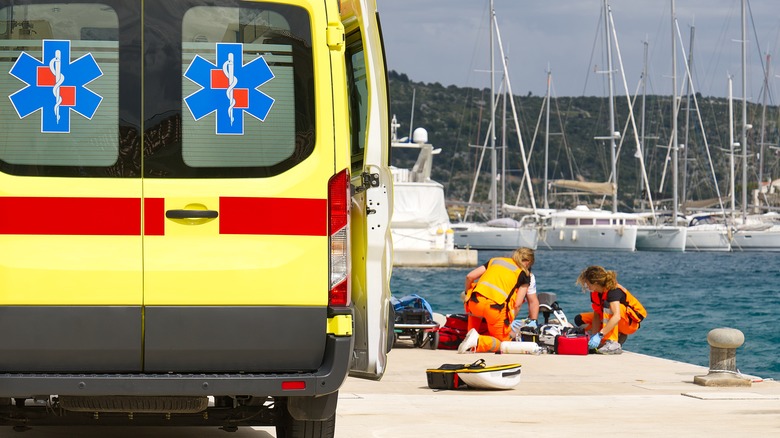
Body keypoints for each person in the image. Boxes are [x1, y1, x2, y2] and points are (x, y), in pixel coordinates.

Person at [457, 247, 540, 354]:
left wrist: (467, 293)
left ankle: (470, 338)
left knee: (472, 332)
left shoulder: (495, 261)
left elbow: (469, 277)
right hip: (495, 309)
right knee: (503, 344)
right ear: (528, 262)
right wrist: (508, 322)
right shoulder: (524, 273)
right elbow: (518, 304)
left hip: (474, 303)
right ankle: (478, 341)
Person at [574, 265, 647, 355]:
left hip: (630, 323)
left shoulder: (613, 291)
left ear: (595, 283)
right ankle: (607, 339)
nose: (586, 285)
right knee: (580, 319)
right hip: (614, 319)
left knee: (608, 306)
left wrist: (600, 335)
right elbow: (597, 315)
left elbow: (616, 316)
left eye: (587, 283)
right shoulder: (595, 293)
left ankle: (612, 342)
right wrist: (594, 335)